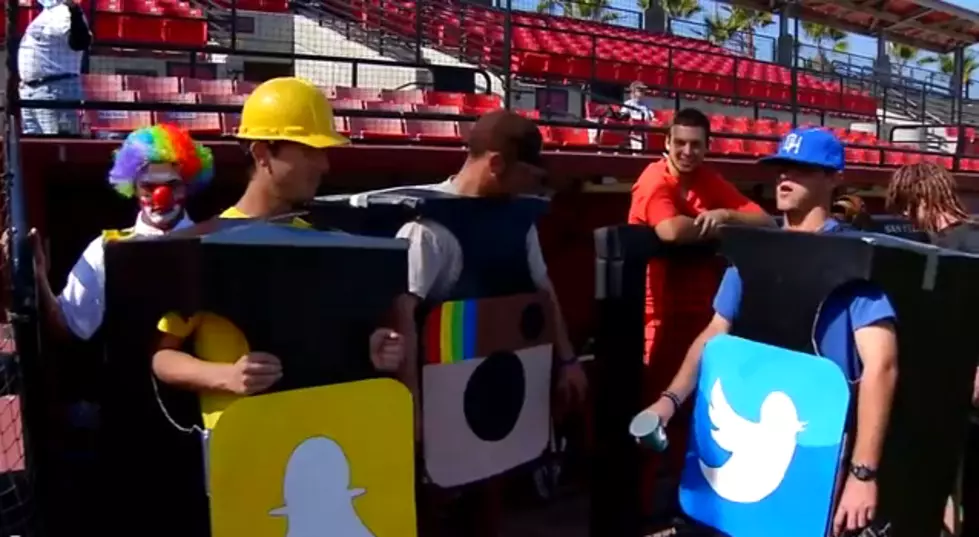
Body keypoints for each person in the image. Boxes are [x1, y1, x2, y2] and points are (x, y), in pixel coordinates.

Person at [645, 128, 899, 537]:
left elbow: (881, 366)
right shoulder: (753, 256)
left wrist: (863, 474)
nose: (785, 177)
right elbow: (715, 333)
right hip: (755, 434)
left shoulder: (852, 260)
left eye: (802, 170)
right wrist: (669, 400)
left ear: (833, 177)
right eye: (782, 167)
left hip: (820, 449)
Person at [151, 77, 405, 438]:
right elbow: (162, 357)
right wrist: (224, 376)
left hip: (319, 445)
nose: (325, 165)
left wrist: (374, 349)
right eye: (310, 150)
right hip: (241, 453)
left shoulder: (326, 243)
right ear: (261, 153)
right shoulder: (205, 243)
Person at [393, 110, 587, 537]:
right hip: (440, 415)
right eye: (527, 174)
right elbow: (404, 315)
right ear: (496, 163)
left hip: (499, 405)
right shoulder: (428, 228)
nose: (531, 186)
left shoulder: (519, 224)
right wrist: (410, 408)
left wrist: (568, 360)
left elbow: (544, 291)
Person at [627, 107, 773, 515]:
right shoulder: (655, 178)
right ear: (667, 144)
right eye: (681, 144)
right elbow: (669, 230)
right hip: (658, 319)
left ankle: (683, 505)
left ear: (707, 147)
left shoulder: (708, 180)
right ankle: (636, 509)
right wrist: (721, 228)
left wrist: (725, 215)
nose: (688, 151)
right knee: (655, 413)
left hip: (704, 319)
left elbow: (765, 221)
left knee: (695, 414)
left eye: (696, 144)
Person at [28, 124, 211, 341]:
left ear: (188, 187)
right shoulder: (104, 249)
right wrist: (37, 275)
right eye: (148, 187)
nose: (162, 196)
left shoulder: (213, 245)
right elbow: (68, 325)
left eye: (173, 186)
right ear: (133, 188)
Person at [886, 161, 979, 535]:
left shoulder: (970, 241)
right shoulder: (933, 246)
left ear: (923, 197)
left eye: (909, 207)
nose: (910, 218)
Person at [17, 0, 91, 135]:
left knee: (57, 144)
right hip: (31, 91)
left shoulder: (64, 11)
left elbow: (80, 42)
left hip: (55, 89)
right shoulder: (46, 14)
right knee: (33, 146)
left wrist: (74, 12)